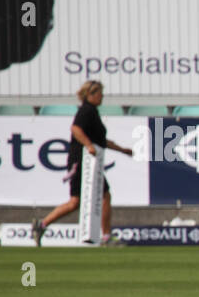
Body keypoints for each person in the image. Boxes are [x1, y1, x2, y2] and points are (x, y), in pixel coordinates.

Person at [32, 80, 130, 246]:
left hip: (89, 162)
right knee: (103, 196)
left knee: (76, 202)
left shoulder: (92, 112)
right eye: (100, 93)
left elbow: (100, 140)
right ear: (90, 94)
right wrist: (89, 145)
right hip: (82, 162)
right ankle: (106, 237)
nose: (102, 97)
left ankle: (41, 225)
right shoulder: (86, 111)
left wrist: (122, 150)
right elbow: (76, 129)